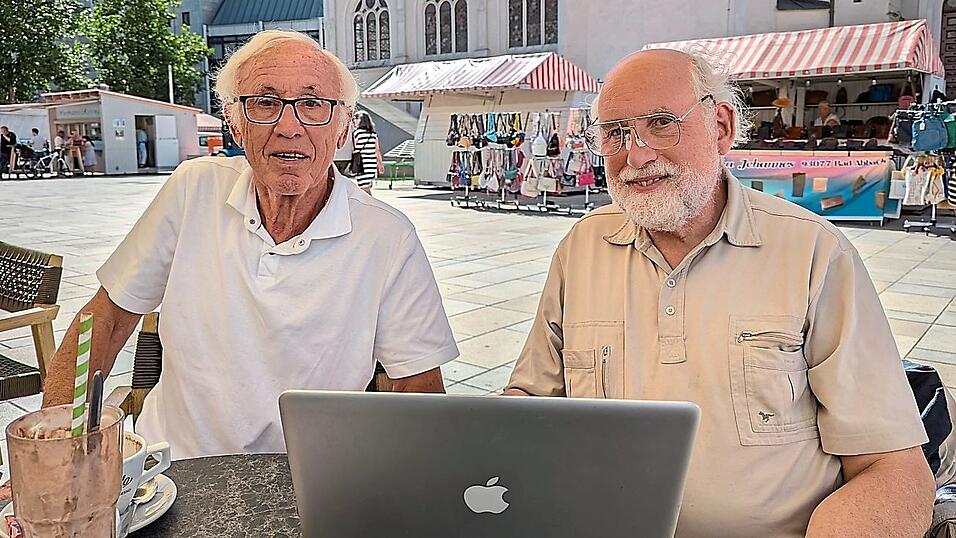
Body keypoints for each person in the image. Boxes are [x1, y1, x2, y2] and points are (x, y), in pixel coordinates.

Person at [505, 49, 934, 537]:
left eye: (661, 124)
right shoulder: (581, 249)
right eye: (614, 133)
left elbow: (891, 466)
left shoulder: (814, 254)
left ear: (722, 127)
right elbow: (529, 403)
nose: (636, 154)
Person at [43, 29, 459, 459]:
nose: (289, 127)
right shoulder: (194, 189)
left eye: (313, 104)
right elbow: (106, 319)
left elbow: (417, 388)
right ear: (235, 123)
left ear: (343, 130)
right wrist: (58, 440)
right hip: (169, 469)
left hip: (309, 481)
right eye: (265, 103)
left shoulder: (387, 236)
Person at [351, 111, 384, 194]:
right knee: (366, 186)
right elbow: (377, 151)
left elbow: (353, 148)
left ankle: (369, 205)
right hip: (371, 164)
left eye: (356, 118)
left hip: (361, 164)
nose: (354, 121)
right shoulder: (373, 134)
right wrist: (380, 165)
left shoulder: (357, 133)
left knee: (363, 188)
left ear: (361, 120)